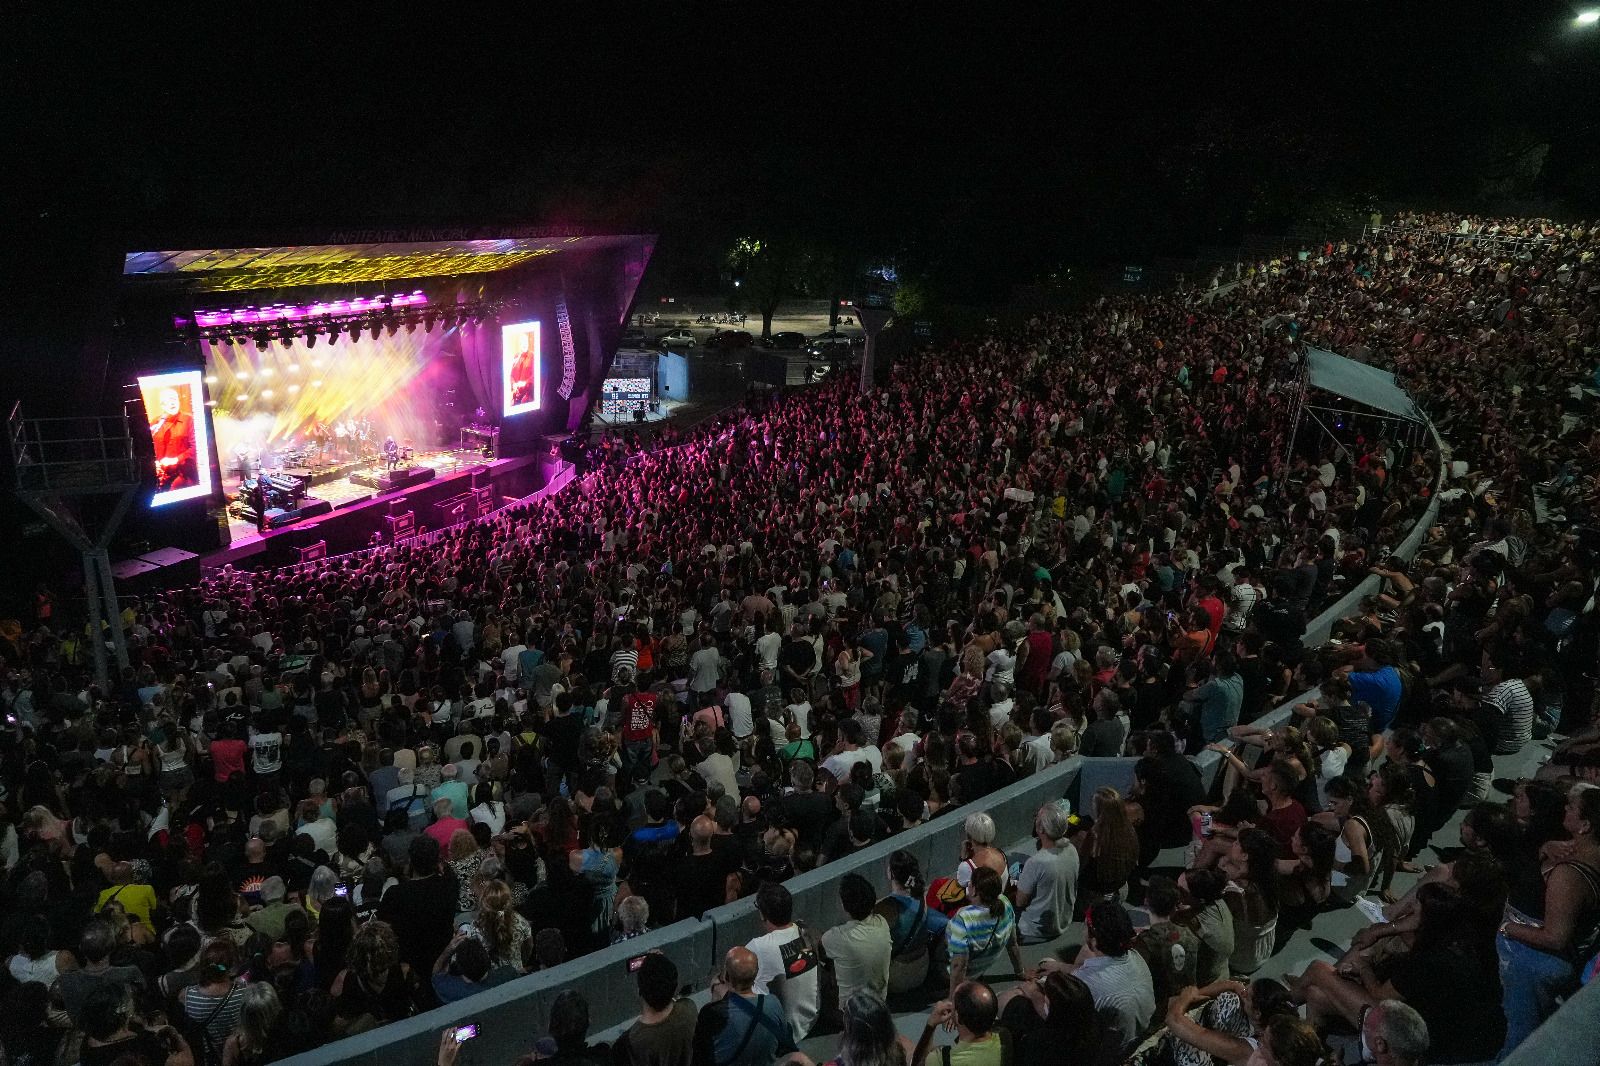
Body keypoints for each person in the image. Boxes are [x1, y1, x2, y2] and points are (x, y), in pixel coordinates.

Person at [1495, 785, 1600, 1056]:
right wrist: (1544, 848)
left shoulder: (1570, 875)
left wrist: (1507, 927)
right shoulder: (1582, 851)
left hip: (1531, 963)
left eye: (1572, 807)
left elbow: (1555, 937)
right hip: (1539, 961)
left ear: (1585, 825)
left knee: (1517, 1040)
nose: (1565, 808)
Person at [1041, 899, 1155, 1055]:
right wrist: (1060, 967)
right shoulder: (1136, 957)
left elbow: (1053, 1015)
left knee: (1020, 998)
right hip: (1136, 1037)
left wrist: (1033, 992)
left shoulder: (1086, 984)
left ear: (1093, 938)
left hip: (1107, 1053)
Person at [693, 946, 798, 1066]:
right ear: (756, 975)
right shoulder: (773, 1002)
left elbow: (701, 1053)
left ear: (726, 976)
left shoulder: (712, 1012)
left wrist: (715, 1000)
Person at [746, 882, 821, 1041]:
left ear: (762, 915)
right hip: (811, 1021)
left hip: (783, 1033)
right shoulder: (805, 931)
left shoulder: (758, 947)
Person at [946, 866, 1024, 992]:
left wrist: (953, 998)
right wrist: (1020, 972)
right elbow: (1013, 944)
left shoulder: (963, 918)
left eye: (970, 883)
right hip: (981, 968)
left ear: (974, 891)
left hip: (963, 974)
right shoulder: (1005, 903)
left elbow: (958, 965)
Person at [611, 952, 697, 1066]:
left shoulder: (628, 1044)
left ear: (639, 991)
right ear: (674, 988)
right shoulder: (689, 1009)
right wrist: (658, 965)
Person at [822, 873, 893, 1003]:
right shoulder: (881, 922)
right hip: (880, 1001)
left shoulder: (836, 937)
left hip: (851, 1010)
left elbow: (820, 947)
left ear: (844, 905)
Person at [1014, 802, 1078, 944]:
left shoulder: (1036, 862)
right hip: (1064, 920)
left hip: (1036, 930)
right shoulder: (1072, 849)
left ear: (1041, 829)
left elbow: (1020, 901)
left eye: (1037, 818)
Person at [911, 980, 1004, 1066]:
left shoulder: (943, 1059)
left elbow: (918, 1063)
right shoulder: (1004, 1038)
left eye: (953, 1002)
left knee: (906, 1044)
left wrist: (931, 1023)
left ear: (958, 1017)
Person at [149, 386, 198, 490]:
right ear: (162, 405)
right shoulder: (155, 422)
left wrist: (176, 459)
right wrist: (154, 462)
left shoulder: (189, 420)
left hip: (183, 473)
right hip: (163, 474)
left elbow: (196, 447)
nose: (172, 402)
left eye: (174, 399)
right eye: (168, 400)